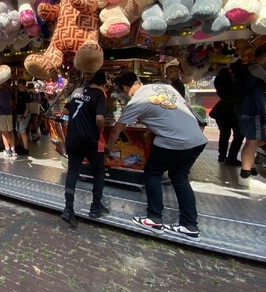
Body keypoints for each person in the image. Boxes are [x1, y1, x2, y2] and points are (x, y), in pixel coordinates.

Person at [107, 71, 207, 242]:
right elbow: (174, 112)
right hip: (197, 139)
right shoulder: (165, 87)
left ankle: (154, 219)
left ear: (125, 88)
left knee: (152, 173)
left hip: (174, 141)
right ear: (138, 80)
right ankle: (189, 226)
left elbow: (117, 129)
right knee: (179, 177)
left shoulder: (137, 101)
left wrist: (110, 149)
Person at [61, 71, 110, 228]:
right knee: (98, 171)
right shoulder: (100, 94)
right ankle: (95, 207)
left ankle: (68, 209)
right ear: (103, 84)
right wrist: (99, 130)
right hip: (91, 139)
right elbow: (100, 118)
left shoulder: (77, 91)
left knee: (73, 171)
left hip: (73, 137)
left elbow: (66, 110)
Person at [237, 43, 266, 188]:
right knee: (253, 140)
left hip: (249, 109)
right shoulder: (256, 68)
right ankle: (245, 173)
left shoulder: (255, 68)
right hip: (252, 109)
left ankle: (250, 169)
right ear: (265, 55)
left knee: (255, 140)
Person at [209, 98, 244, 165]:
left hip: (222, 119)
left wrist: (218, 118)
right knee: (238, 136)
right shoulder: (238, 100)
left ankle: (222, 156)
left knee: (224, 136)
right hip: (234, 119)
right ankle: (232, 158)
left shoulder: (223, 100)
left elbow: (211, 113)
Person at [0, 81, 16, 157]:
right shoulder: (7, 91)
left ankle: (7, 149)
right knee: (10, 132)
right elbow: (11, 103)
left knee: (4, 132)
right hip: (9, 113)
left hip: (1, 114)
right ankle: (13, 149)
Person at [15, 79, 31, 155]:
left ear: (25, 86)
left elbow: (28, 107)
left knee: (22, 131)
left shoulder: (27, 95)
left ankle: (26, 148)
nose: (19, 88)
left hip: (24, 115)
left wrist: (23, 117)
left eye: (21, 86)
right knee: (18, 131)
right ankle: (20, 145)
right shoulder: (18, 93)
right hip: (18, 114)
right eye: (19, 86)